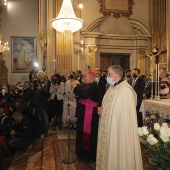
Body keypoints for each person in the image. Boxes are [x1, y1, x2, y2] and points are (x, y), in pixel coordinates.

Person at [96, 65, 143, 170]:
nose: (107, 77)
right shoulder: (113, 87)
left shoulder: (125, 90)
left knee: (118, 150)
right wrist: (102, 110)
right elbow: (110, 106)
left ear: (116, 75)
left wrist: (105, 112)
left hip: (120, 130)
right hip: (110, 126)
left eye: (109, 74)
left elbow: (122, 114)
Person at [71, 71, 101, 161]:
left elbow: (84, 95)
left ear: (91, 78)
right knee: (81, 131)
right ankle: (81, 152)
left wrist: (75, 87)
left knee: (88, 132)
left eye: (85, 76)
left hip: (90, 113)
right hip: (84, 112)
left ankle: (87, 154)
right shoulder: (88, 85)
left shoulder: (94, 86)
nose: (83, 78)